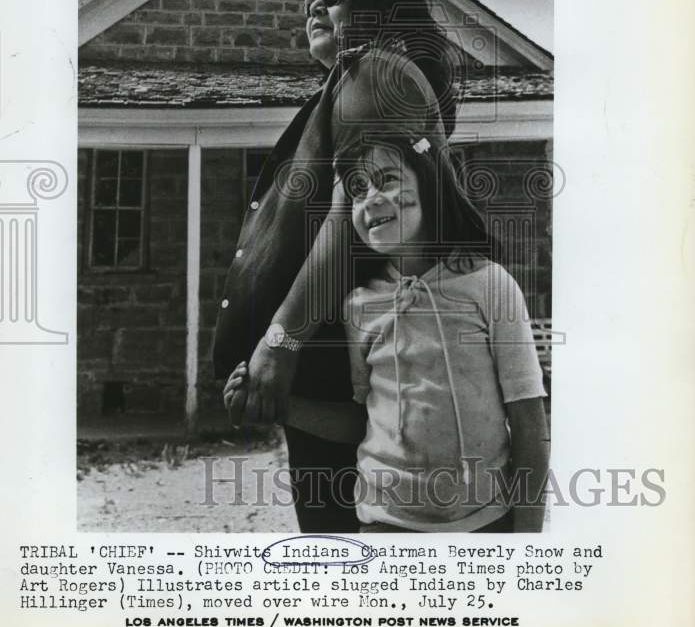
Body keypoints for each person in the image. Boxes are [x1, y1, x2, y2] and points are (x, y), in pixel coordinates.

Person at [212, 0, 470, 532]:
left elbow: (348, 221)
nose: (315, 5)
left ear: (382, 9)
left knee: (345, 546)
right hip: (347, 364)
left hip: (347, 362)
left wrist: (280, 343)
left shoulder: (374, 71)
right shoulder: (361, 81)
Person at [225, 135, 550, 532]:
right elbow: (364, 421)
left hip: (483, 526)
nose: (371, 199)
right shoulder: (359, 306)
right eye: (357, 190)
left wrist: (528, 543)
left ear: (429, 184)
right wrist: (275, 406)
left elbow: (530, 422)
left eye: (387, 180)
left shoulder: (490, 286)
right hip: (385, 528)